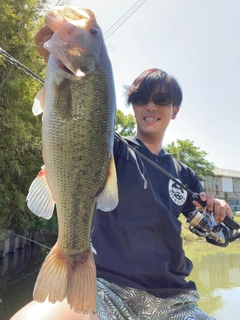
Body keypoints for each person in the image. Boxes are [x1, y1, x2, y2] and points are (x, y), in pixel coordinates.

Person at [11, 24, 233, 320]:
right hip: (105, 289)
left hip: (175, 301)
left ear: (175, 109)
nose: (150, 105)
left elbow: (216, 229)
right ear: (132, 106)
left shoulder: (185, 174)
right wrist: (55, 56)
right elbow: (76, 123)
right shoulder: (111, 148)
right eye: (141, 97)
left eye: (162, 99)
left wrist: (219, 211)